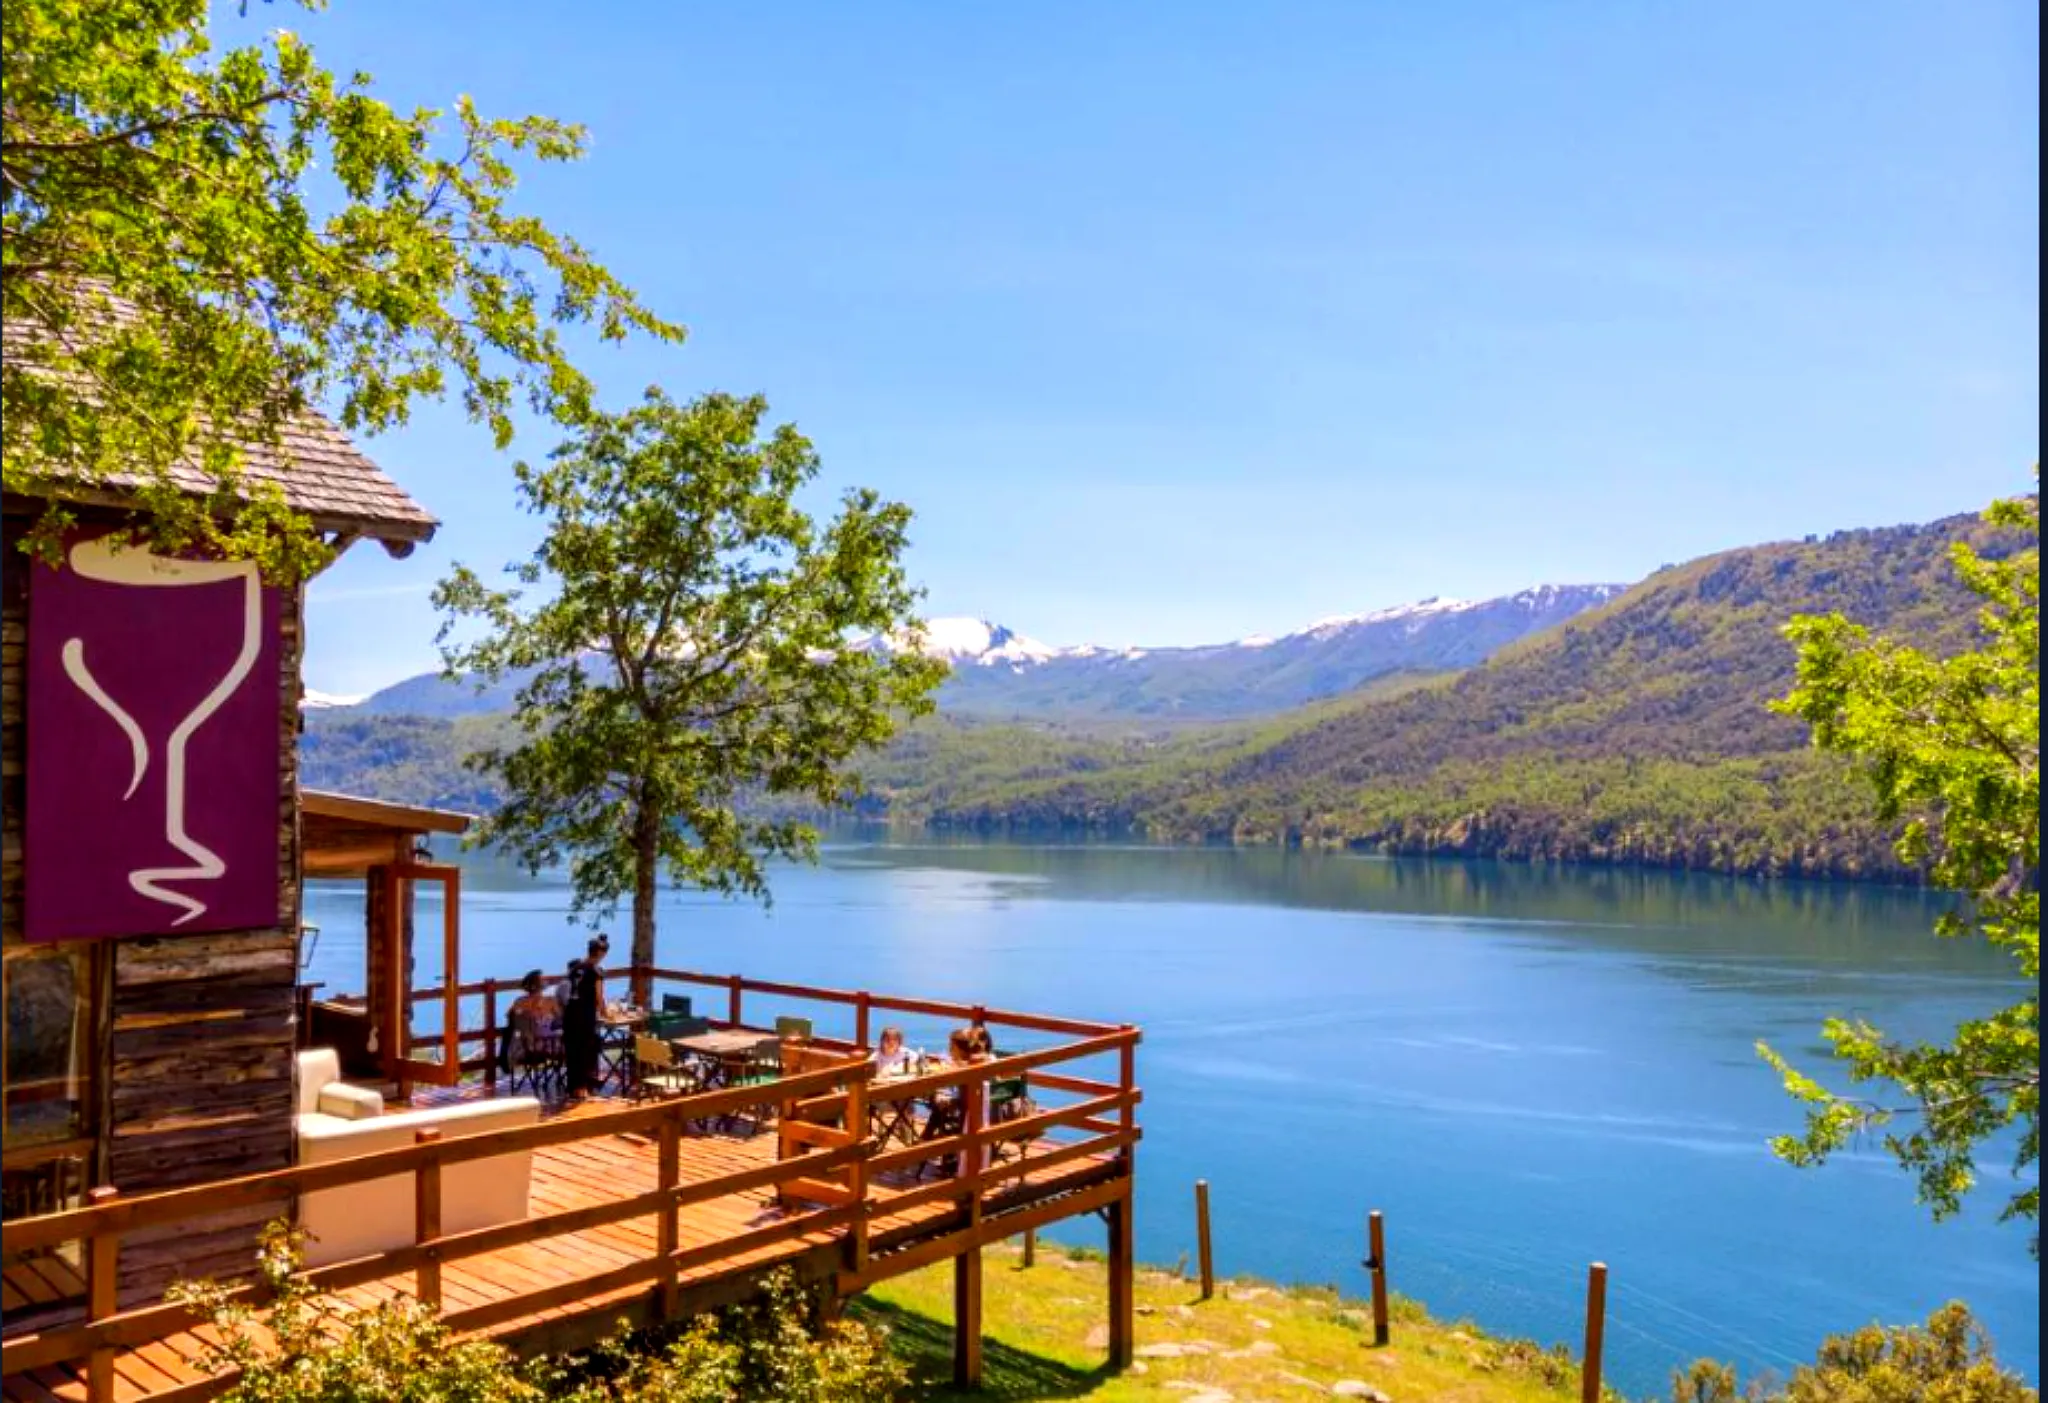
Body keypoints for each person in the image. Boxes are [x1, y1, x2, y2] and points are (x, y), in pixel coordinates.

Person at [562, 935, 608, 1099]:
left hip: (570, 1014)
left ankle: (573, 1087)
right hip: (584, 1015)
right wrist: (606, 1014)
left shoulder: (575, 968)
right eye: (604, 953)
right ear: (600, 953)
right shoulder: (596, 971)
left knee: (572, 1050)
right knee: (585, 1050)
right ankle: (583, 1088)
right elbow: (599, 997)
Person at [500, 969, 561, 1076]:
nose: (546, 980)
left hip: (526, 1046)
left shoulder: (519, 1002)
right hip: (549, 1044)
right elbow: (560, 1020)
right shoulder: (550, 1001)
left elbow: (510, 1017)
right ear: (538, 984)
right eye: (543, 979)